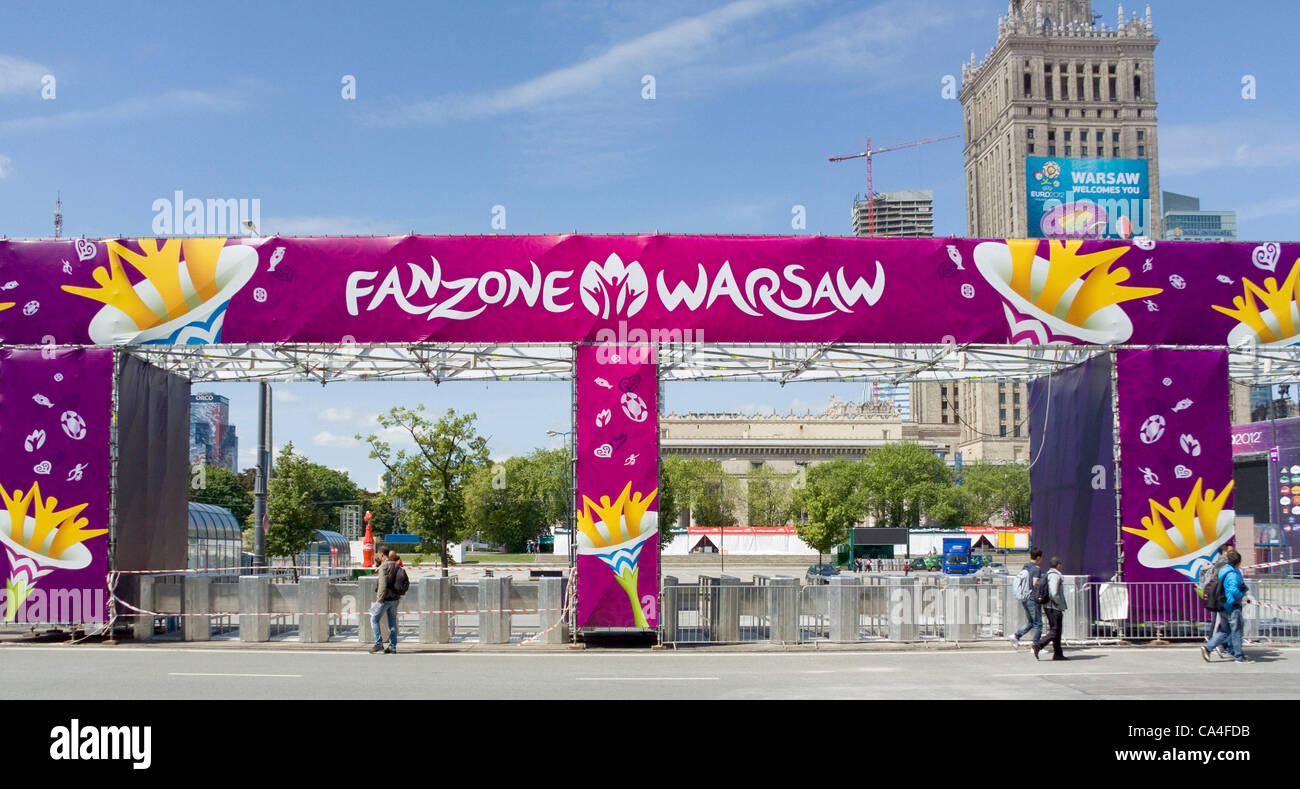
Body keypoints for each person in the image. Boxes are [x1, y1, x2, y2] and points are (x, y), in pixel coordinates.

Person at [1202, 550, 1253, 664]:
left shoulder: (1223, 570)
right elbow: (1233, 590)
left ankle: (1208, 648)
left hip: (1223, 604)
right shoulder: (1232, 574)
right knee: (1237, 631)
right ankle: (1239, 656)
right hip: (1232, 605)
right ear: (1238, 562)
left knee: (1225, 630)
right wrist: (1243, 596)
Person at [1032, 557, 1068, 661]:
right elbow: (1053, 592)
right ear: (1058, 565)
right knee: (1055, 630)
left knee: (1056, 630)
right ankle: (1038, 645)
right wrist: (1058, 603)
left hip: (1050, 606)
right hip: (1053, 607)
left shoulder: (1048, 574)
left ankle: (1058, 654)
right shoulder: (1054, 575)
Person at [370, 550, 403, 654]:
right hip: (395, 599)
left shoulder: (383, 567)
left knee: (373, 619)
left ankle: (378, 644)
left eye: (379, 556)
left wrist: (378, 601)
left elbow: (382, 586)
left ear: (382, 555)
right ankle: (392, 647)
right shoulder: (396, 565)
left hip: (384, 600)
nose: (378, 558)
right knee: (392, 623)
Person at [1010, 548, 1044, 649]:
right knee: (1038, 623)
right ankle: (1036, 647)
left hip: (1025, 597)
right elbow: (1035, 584)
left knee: (1031, 622)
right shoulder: (1036, 569)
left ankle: (1016, 636)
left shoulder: (1026, 567)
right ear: (1038, 557)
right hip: (1033, 598)